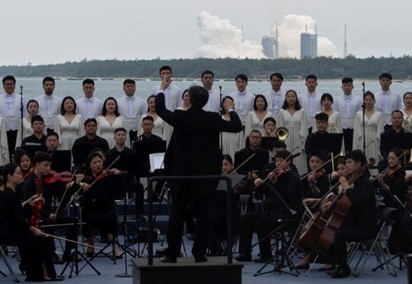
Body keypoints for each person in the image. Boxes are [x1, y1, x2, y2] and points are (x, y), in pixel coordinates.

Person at [155, 84, 242, 262]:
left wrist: (162, 89)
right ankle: (200, 253)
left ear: (190, 100)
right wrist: (230, 109)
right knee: (204, 214)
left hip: (181, 174)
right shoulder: (212, 118)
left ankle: (172, 253)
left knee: (176, 213)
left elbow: (161, 109)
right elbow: (236, 126)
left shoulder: (180, 116)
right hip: (205, 175)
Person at [0, 163, 58, 281]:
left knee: (38, 237)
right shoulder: (7, 195)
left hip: (13, 228)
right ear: (9, 176)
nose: (21, 176)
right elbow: (16, 217)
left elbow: (17, 212)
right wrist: (32, 229)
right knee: (38, 238)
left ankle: (42, 273)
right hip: (9, 231)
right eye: (17, 173)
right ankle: (41, 274)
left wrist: (29, 203)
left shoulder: (11, 193)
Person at [236, 149, 302, 263]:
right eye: (276, 161)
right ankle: (244, 252)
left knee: (262, 223)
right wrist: (259, 185)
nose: (278, 164)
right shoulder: (275, 176)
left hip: (287, 213)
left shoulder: (294, 177)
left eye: (281, 161)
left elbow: (287, 196)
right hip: (272, 211)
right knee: (246, 218)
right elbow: (264, 192)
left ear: (289, 162)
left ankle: (266, 254)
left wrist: (276, 183)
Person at [325, 149, 377, 278]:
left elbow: (359, 203)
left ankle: (342, 267)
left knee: (340, 234)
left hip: (365, 226)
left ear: (358, 164)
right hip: (355, 221)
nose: (347, 165)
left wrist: (347, 188)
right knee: (333, 227)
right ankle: (332, 262)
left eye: (349, 162)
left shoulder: (366, 183)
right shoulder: (355, 180)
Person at [78, 151, 123, 258]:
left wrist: (116, 176)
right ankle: (90, 243)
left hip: (106, 208)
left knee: (110, 216)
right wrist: (80, 183)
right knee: (88, 217)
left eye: (100, 162)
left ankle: (115, 245)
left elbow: (117, 192)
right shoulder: (86, 179)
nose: (98, 164)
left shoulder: (108, 176)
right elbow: (74, 186)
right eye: (95, 163)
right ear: (89, 165)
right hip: (91, 210)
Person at [279, 90, 307, 172]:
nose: (291, 98)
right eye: (289, 97)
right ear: (286, 98)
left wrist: (303, 142)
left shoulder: (301, 111)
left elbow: (304, 127)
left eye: (293, 96)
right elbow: (280, 128)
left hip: (298, 136)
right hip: (286, 138)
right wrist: (281, 142)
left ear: (296, 98)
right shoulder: (282, 112)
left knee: (299, 157)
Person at [353, 91, 382, 162]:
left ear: (374, 101)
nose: (368, 102)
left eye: (370, 100)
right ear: (364, 101)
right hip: (362, 138)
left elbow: (380, 130)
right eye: (366, 100)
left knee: (373, 158)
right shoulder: (359, 114)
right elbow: (356, 131)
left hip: (374, 139)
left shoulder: (378, 114)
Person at [0, 76, 23, 156]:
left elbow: (25, 114)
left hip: (18, 130)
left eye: (11, 84)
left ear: (14, 85)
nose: (9, 86)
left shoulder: (22, 98)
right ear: (3, 85)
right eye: (7, 84)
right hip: (3, 131)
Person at [335, 78, 359, 152]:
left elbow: (360, 114)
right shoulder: (337, 100)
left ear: (352, 87)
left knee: (353, 148)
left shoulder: (359, 100)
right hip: (342, 127)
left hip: (354, 128)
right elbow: (335, 114)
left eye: (349, 85)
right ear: (342, 87)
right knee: (342, 148)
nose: (347, 87)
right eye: (345, 85)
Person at [117, 79, 143, 144]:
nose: (129, 88)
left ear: (135, 88)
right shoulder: (118, 102)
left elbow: (144, 115)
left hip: (138, 129)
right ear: (123, 88)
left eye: (131, 86)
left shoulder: (142, 101)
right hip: (123, 130)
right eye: (127, 86)